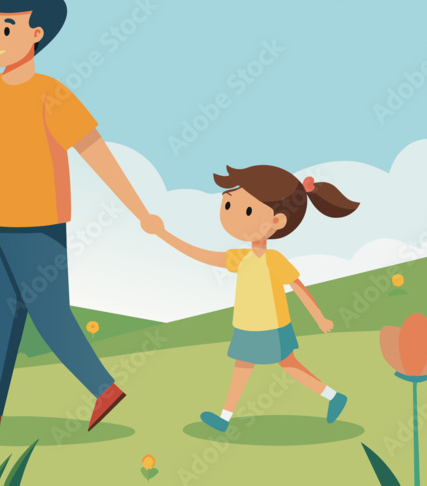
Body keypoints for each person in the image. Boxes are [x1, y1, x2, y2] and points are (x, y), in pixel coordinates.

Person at [0, 0, 161, 437]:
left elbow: (95, 152)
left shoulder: (51, 94)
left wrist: (140, 210)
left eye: (4, 27)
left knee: (49, 314)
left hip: (39, 226)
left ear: (35, 33)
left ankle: (104, 388)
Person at [154, 165, 359, 431]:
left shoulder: (274, 260)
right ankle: (226, 418)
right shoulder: (240, 258)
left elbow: (298, 287)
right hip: (246, 325)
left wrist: (319, 317)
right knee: (249, 367)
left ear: (277, 221)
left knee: (285, 365)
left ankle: (332, 396)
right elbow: (201, 254)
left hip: (272, 327)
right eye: (228, 205)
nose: (231, 217)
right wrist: (163, 234)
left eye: (247, 211)